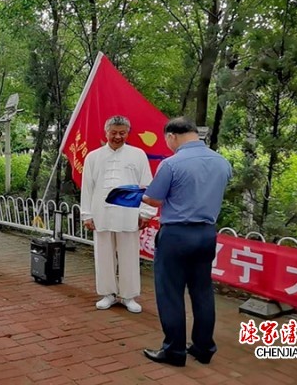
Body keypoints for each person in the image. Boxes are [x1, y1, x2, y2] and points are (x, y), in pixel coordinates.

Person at [141, 118, 232, 367]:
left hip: (176, 234)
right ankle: (204, 348)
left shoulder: (171, 164)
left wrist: (143, 191)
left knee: (170, 293)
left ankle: (174, 351)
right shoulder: (222, 162)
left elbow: (154, 200)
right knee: (202, 291)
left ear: (172, 136)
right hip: (206, 234)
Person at [80, 116, 156, 314]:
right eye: (113, 132)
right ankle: (107, 294)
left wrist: (146, 212)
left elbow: (146, 185)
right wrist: (87, 215)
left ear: (127, 133)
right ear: (106, 133)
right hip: (101, 213)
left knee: (129, 256)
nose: (117, 136)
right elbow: (87, 188)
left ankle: (129, 296)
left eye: (122, 133)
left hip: (129, 213)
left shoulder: (138, 155)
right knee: (103, 255)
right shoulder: (93, 157)